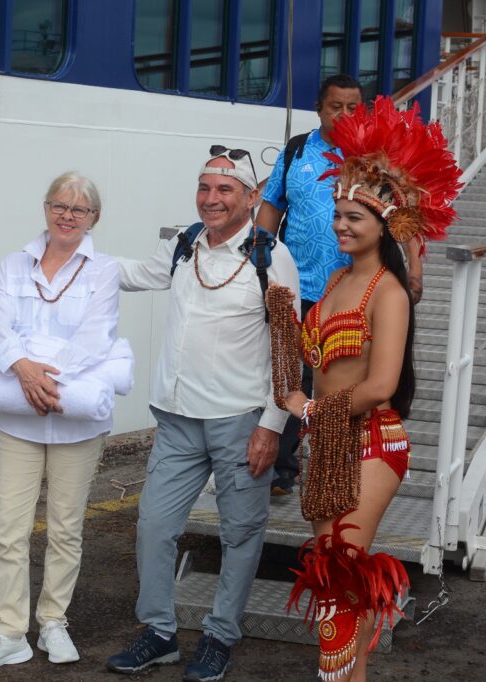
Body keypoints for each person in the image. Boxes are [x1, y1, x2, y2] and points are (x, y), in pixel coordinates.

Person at [269, 96, 462, 682]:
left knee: (339, 570)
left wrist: (310, 408)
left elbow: (380, 385)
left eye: (355, 217)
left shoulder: (389, 292)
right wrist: (283, 324)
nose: (341, 226)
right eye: (337, 214)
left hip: (373, 439)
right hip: (328, 437)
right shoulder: (331, 280)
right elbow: (315, 357)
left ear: (386, 225)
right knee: (337, 581)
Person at [106, 149, 300, 681]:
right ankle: (160, 632)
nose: (212, 199)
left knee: (240, 533)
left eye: (225, 190)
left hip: (242, 422)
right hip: (176, 417)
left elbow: (289, 350)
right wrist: (71, 251)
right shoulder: (184, 243)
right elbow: (138, 273)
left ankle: (219, 636)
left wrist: (272, 426)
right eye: (205, 188)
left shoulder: (270, 256)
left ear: (250, 198)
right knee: (153, 526)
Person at [0, 172, 125, 672]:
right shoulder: (14, 265)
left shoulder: (104, 271)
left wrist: (42, 378)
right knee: (9, 529)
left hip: (72, 419)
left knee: (65, 528)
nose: (68, 215)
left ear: (94, 218)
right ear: (46, 208)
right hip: (21, 418)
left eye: (79, 209)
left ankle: (53, 621)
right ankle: (9, 631)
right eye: (60, 205)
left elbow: (96, 337)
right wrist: (23, 369)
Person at [256, 74, 362, 496]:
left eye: (354, 107)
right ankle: (282, 470)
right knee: (289, 376)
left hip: (353, 290)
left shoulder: (372, 157)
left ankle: (337, 470)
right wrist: (259, 261)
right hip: (296, 286)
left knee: (341, 382)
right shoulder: (298, 149)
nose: (345, 115)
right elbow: (270, 207)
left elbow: (401, 210)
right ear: (319, 108)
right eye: (336, 106)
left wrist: (414, 266)